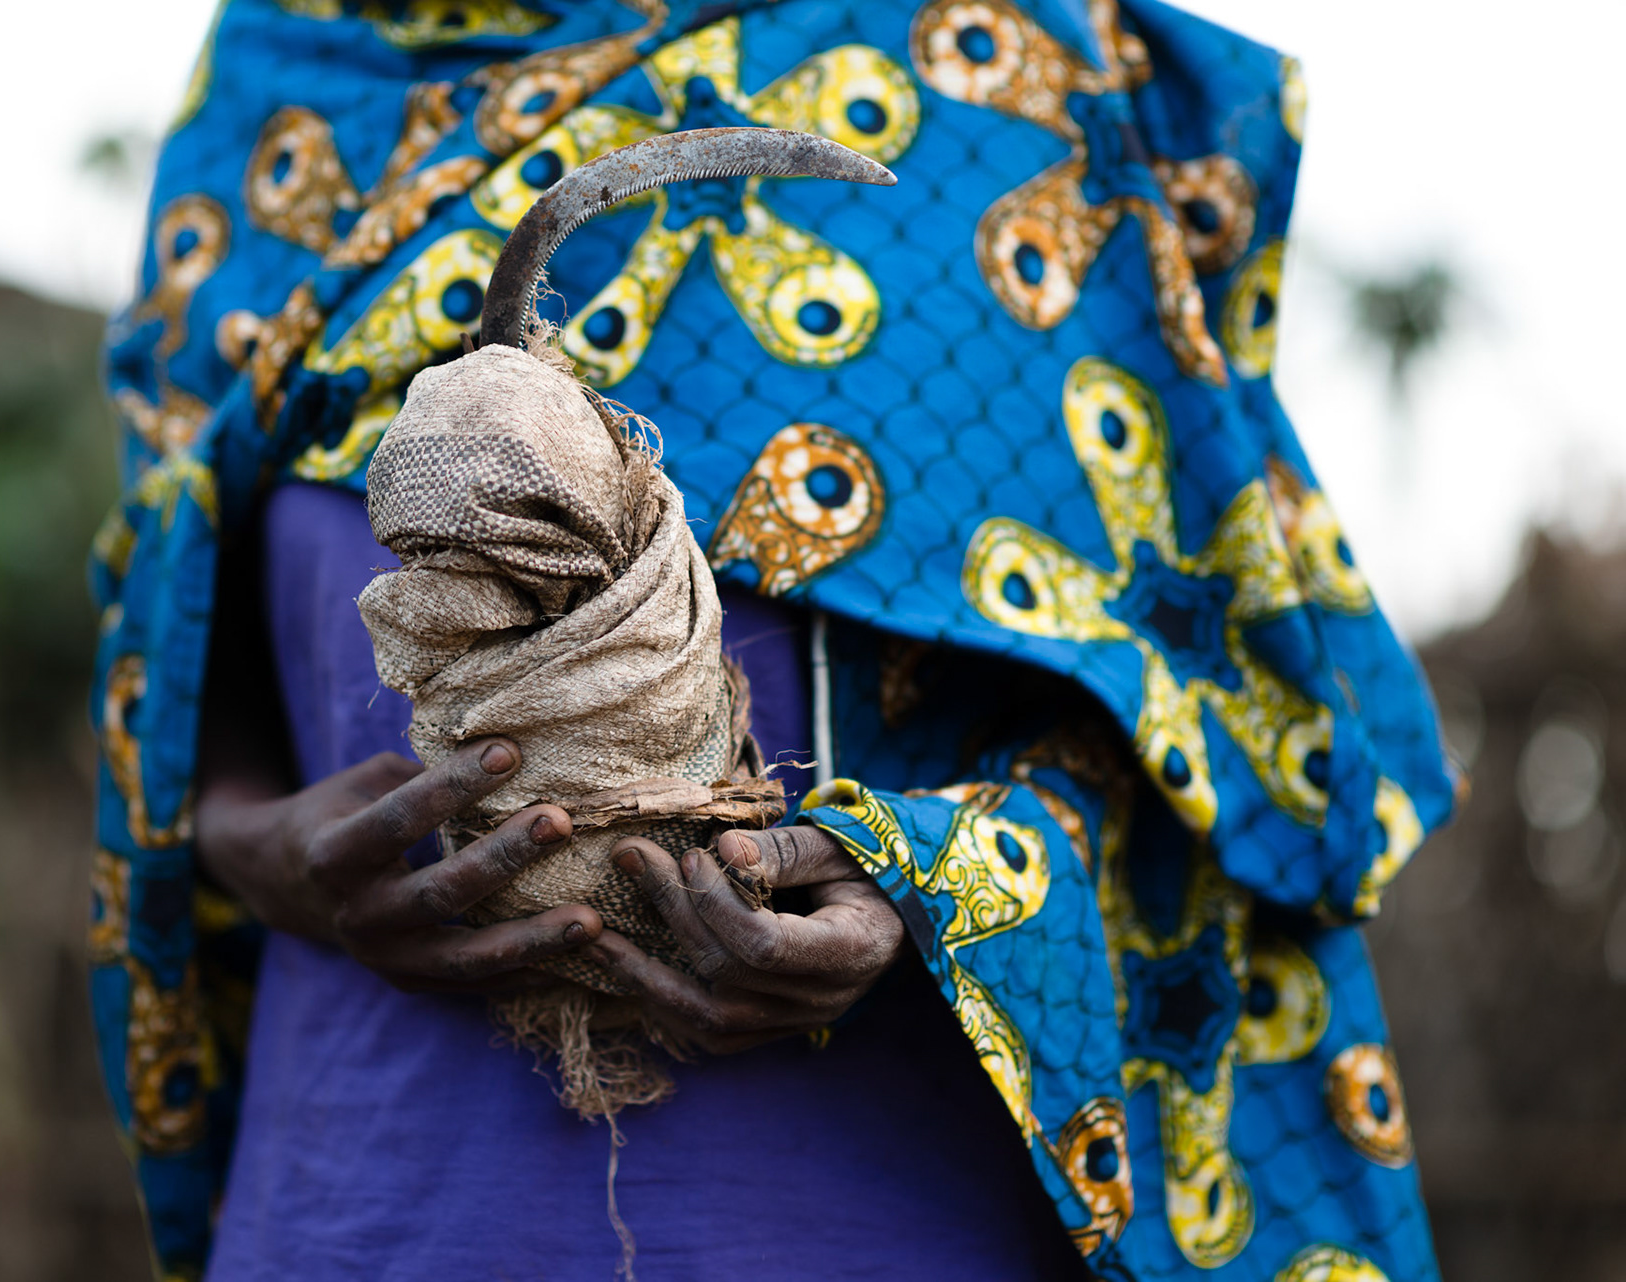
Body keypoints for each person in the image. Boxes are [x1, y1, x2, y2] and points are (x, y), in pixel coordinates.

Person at [87, 2, 1459, 1279]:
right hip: (366, 1207)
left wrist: (937, 885)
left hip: (865, 1210)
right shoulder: (292, 88)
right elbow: (181, 652)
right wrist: (255, 848)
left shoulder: (1002, 84)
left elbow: (1221, 740)